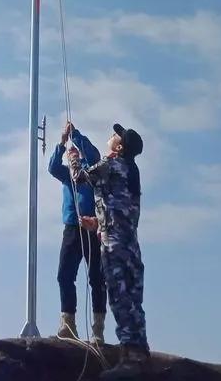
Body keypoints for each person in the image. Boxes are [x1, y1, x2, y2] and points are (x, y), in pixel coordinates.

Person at [72, 124, 148, 362]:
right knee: (134, 302)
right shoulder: (131, 172)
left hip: (114, 246)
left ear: (120, 146)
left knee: (119, 298)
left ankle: (131, 357)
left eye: (117, 135)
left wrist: (73, 157)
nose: (112, 135)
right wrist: (97, 222)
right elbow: (122, 210)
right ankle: (139, 350)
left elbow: (79, 178)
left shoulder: (111, 165)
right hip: (131, 247)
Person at [48, 121, 107, 344]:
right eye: (69, 154)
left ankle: (98, 328)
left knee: (96, 278)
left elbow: (93, 155)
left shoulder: (92, 170)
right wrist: (62, 142)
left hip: (92, 228)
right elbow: (52, 166)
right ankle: (68, 323)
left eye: (74, 152)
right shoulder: (66, 175)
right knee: (64, 274)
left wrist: (76, 136)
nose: (72, 155)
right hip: (72, 228)